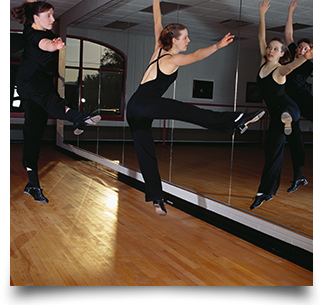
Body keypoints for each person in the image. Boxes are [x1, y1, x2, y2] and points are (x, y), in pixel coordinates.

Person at [126, 0, 265, 216]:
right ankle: (236, 120)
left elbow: (157, 20)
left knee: (147, 154)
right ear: (174, 40)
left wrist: (155, 1)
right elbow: (197, 55)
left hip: (134, 107)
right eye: (185, 37)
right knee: (190, 112)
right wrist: (217, 46)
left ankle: (156, 198)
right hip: (145, 104)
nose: (188, 40)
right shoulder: (172, 59)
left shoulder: (158, 49)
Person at [11, 0, 101, 204]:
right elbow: (44, 44)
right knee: (52, 101)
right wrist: (54, 46)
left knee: (34, 130)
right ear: (36, 17)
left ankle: (32, 183)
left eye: (53, 14)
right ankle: (78, 118)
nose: (53, 19)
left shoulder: (29, 26)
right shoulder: (35, 35)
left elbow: (31, 3)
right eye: (48, 16)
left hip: (39, 82)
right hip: (30, 81)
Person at [250, 0, 314, 210]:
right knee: (272, 153)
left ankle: (289, 120)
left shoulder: (280, 69)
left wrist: (307, 58)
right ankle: (265, 191)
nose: (270, 50)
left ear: (281, 53)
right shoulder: (262, 63)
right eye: (270, 47)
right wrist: (262, 15)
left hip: (289, 108)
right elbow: (261, 36)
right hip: (276, 116)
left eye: (276, 49)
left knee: (288, 113)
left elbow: (295, 64)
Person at [284, 0, 314, 123]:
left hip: (302, 97)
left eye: (305, 49)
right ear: (296, 48)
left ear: (309, 53)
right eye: (300, 47)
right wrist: (290, 12)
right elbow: (288, 34)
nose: (302, 50)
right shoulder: (291, 54)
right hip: (287, 96)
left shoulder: (308, 65)